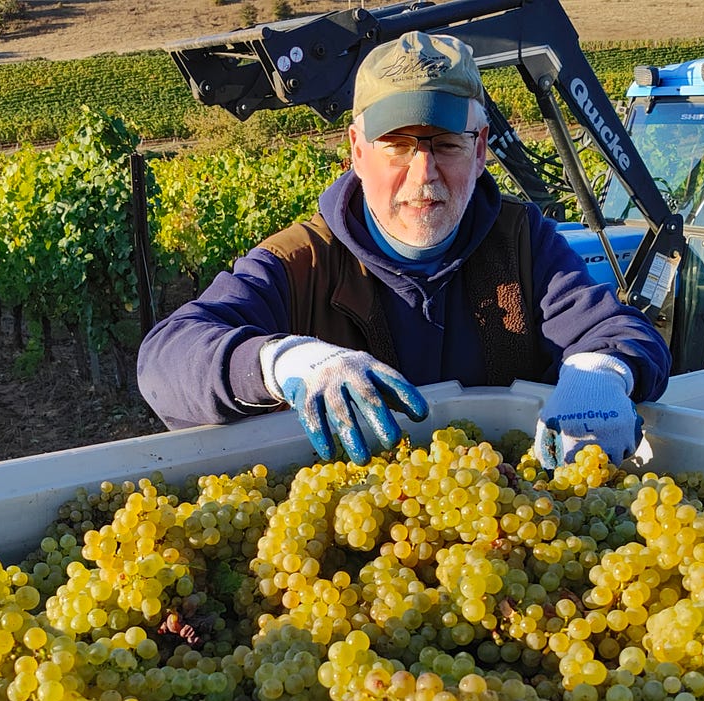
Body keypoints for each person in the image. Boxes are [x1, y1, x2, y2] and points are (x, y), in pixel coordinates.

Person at [136, 30, 671, 468]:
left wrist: (603, 370)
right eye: (397, 145)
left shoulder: (522, 242)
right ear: (356, 150)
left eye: (445, 144)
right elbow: (166, 359)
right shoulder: (303, 261)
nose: (424, 175)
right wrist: (283, 360)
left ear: (481, 148)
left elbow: (618, 332)